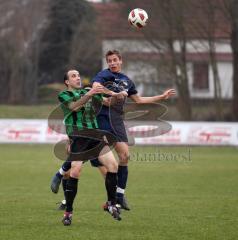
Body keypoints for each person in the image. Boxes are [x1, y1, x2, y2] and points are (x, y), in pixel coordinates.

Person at [91, 50, 176, 210]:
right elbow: (96, 87)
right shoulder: (103, 75)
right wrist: (115, 94)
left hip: (116, 120)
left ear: (120, 60)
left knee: (125, 156)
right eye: (109, 61)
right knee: (108, 162)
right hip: (102, 119)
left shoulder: (127, 81)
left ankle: (120, 196)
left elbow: (139, 100)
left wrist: (161, 97)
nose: (112, 63)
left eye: (115, 60)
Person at [54, 69, 122, 225]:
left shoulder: (88, 91)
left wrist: (118, 95)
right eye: (73, 76)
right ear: (67, 82)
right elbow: (75, 107)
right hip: (79, 137)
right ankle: (68, 212)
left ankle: (111, 204)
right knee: (75, 171)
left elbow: (107, 102)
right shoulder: (64, 95)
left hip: (96, 136)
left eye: (78, 75)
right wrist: (91, 92)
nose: (77, 78)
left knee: (113, 166)